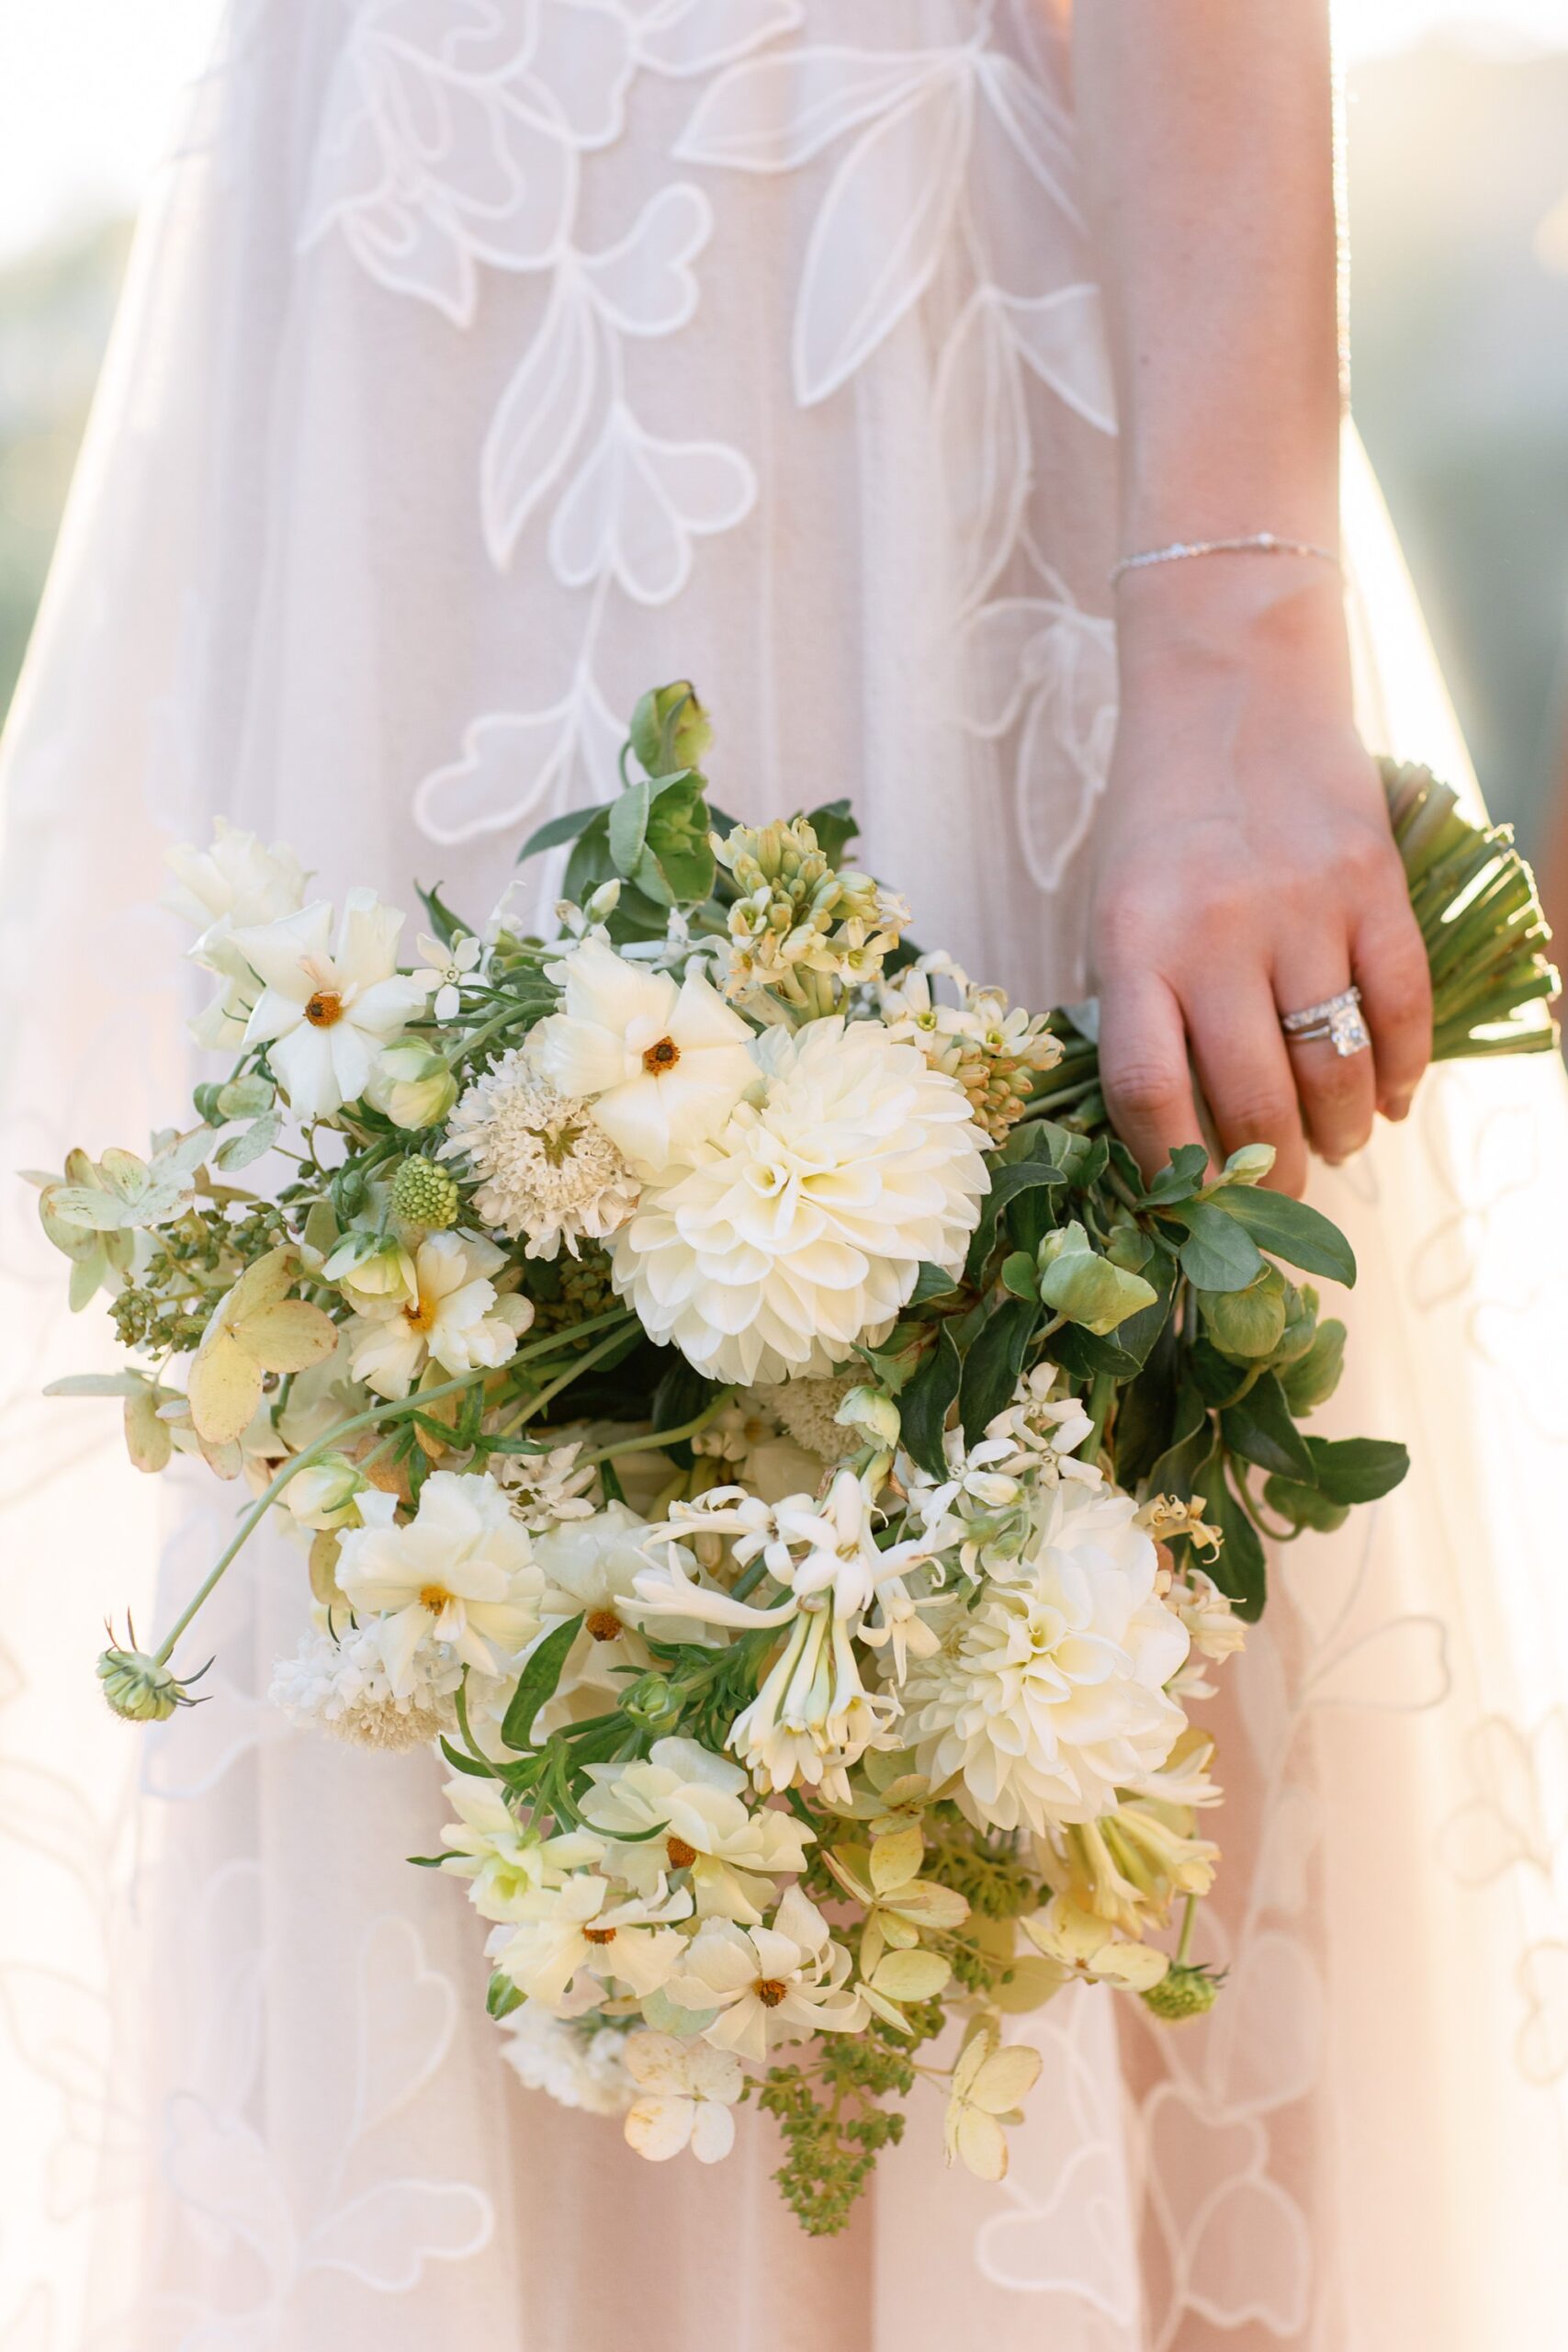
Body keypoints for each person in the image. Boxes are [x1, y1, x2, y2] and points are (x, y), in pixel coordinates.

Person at [2, 4, 1566, 2346]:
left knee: (1028, 1691)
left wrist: (1232, 625)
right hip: (385, 348)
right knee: (425, 1700)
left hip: (857, 326)